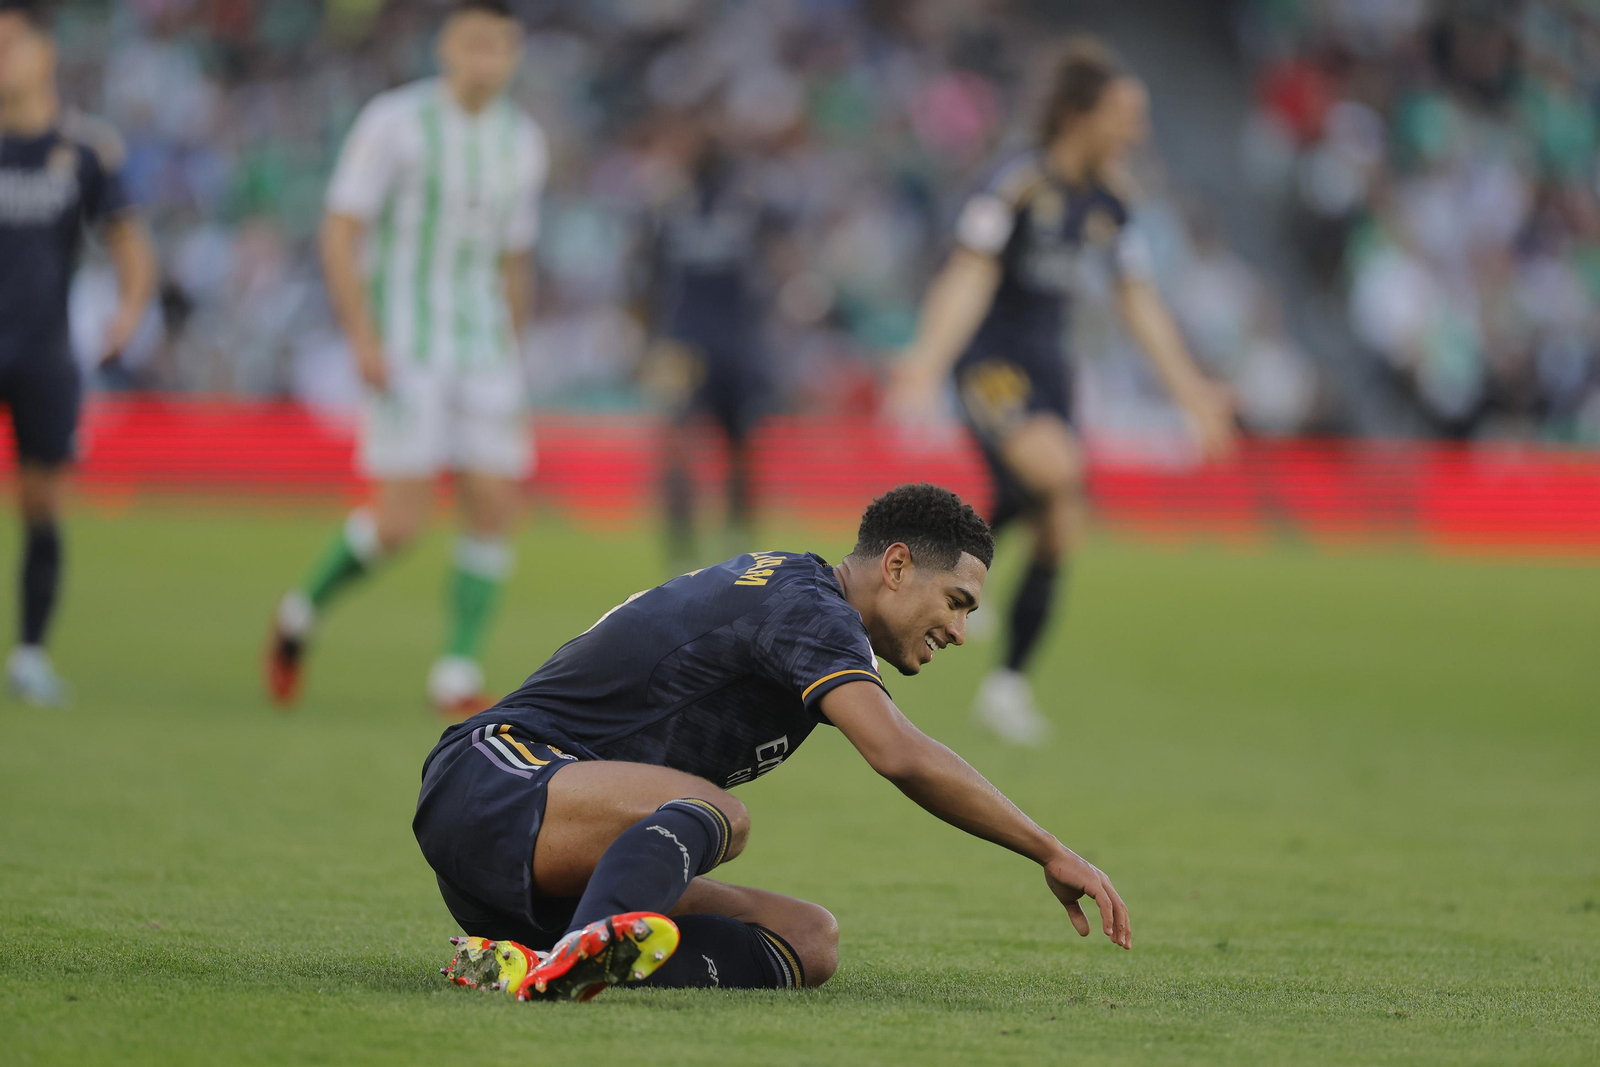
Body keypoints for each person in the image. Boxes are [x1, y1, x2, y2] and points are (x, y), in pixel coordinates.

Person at [416, 483, 1131, 1001]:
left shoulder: (806, 600)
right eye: (957, 602)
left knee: (807, 939)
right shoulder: (808, 606)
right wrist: (1048, 847)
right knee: (719, 813)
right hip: (493, 778)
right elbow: (899, 754)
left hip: (552, 853)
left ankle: (530, 957)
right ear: (897, 566)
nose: (960, 631)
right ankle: (581, 958)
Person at [891, 40, 1235, 746]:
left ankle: (1006, 685)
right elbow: (969, 274)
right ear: (1081, 114)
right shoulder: (1014, 184)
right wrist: (927, 359)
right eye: (1125, 115)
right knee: (1056, 473)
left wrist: (1193, 391)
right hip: (991, 362)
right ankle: (951, 580)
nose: (1136, 130)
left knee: (1058, 520)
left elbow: (1139, 301)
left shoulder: (1110, 203)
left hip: (1051, 370)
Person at [266, 0, 547, 717]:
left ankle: (455, 670)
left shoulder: (523, 140)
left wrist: (514, 346)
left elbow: (515, 258)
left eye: (502, 47)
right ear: (448, 45)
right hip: (408, 345)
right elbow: (340, 230)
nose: (489, 59)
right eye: (477, 44)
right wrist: (361, 334)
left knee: (494, 503)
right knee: (399, 523)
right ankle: (299, 612)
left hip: (484, 349)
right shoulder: (394, 122)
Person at [0, 0, 156, 706]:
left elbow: (127, 239)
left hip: (42, 350)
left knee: (41, 501)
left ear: (44, 53)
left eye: (10, 44)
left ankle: (30, 653)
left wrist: (128, 308)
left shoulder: (86, 148)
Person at [638, 115, 780, 571]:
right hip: (710, 342)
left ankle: (706, 537)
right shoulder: (686, 208)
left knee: (727, 442)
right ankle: (693, 537)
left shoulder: (685, 207)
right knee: (702, 443)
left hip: (700, 341)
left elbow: (645, 280)